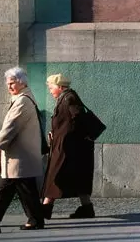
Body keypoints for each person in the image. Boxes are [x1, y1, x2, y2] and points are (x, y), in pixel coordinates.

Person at [0, 67, 45, 230]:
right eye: (8, 84)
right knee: (10, 186)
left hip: (21, 154)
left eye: (12, 83)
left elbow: (11, 126)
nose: (9, 87)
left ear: (21, 83)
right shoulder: (21, 98)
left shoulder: (22, 101)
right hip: (19, 154)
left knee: (24, 189)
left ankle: (35, 220)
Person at [41, 74, 95, 219]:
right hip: (69, 146)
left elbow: (77, 118)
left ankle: (46, 208)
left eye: (51, 88)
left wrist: (64, 137)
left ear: (60, 87)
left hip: (66, 147)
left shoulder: (69, 98)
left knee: (55, 175)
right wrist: (55, 133)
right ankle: (87, 208)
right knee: (77, 178)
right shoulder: (66, 97)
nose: (50, 91)